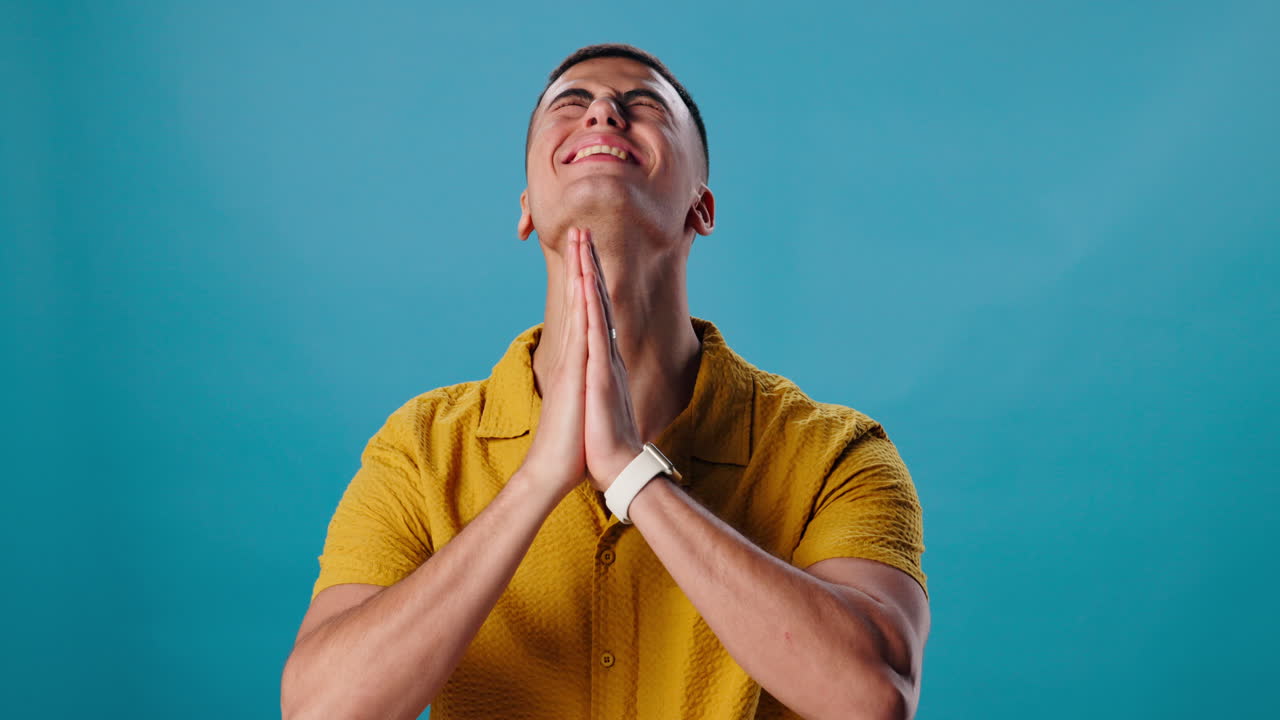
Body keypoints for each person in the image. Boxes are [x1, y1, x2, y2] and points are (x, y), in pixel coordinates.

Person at [281, 43, 930, 720]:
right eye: (572, 103)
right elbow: (320, 709)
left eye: (643, 105)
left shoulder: (837, 453)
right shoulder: (419, 450)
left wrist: (631, 473)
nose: (604, 111)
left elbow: (872, 697)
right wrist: (536, 481)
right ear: (528, 207)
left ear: (701, 209)